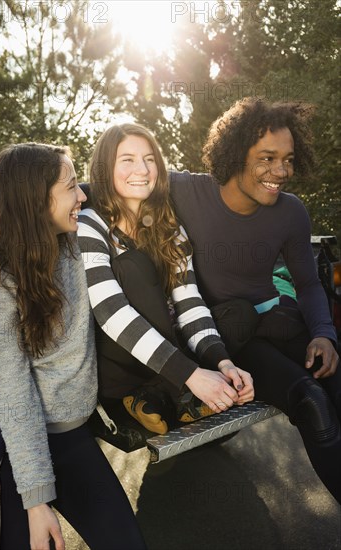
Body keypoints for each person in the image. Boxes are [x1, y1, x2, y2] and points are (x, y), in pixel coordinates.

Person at [0, 143, 147, 550]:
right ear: (36, 200)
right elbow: (14, 397)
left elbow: (125, 190)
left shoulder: (73, 245)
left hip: (70, 436)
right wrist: (36, 500)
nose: (83, 196)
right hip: (9, 441)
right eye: (71, 187)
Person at [169, 97, 341, 504]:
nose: (280, 172)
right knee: (312, 401)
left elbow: (309, 284)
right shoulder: (186, 191)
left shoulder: (291, 212)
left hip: (279, 320)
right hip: (230, 338)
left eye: (288, 159)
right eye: (267, 158)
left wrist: (324, 335)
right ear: (235, 153)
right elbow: (114, 182)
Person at [77, 123, 254, 435]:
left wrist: (223, 362)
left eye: (149, 159)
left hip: (169, 353)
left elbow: (189, 303)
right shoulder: (89, 225)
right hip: (119, 360)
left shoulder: (168, 225)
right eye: (127, 160)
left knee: (240, 313)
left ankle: (157, 398)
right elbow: (109, 314)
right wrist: (192, 375)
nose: (142, 169)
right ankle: (173, 392)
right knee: (134, 265)